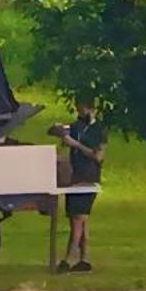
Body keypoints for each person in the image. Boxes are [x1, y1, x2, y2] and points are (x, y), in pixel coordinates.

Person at [55, 99, 106, 273]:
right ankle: (84, 260)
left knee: (78, 219)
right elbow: (60, 133)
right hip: (74, 178)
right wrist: (60, 132)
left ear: (91, 109)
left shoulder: (99, 131)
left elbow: (98, 156)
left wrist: (76, 144)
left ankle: (67, 260)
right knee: (79, 221)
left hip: (88, 178)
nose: (79, 112)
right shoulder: (76, 126)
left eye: (82, 109)